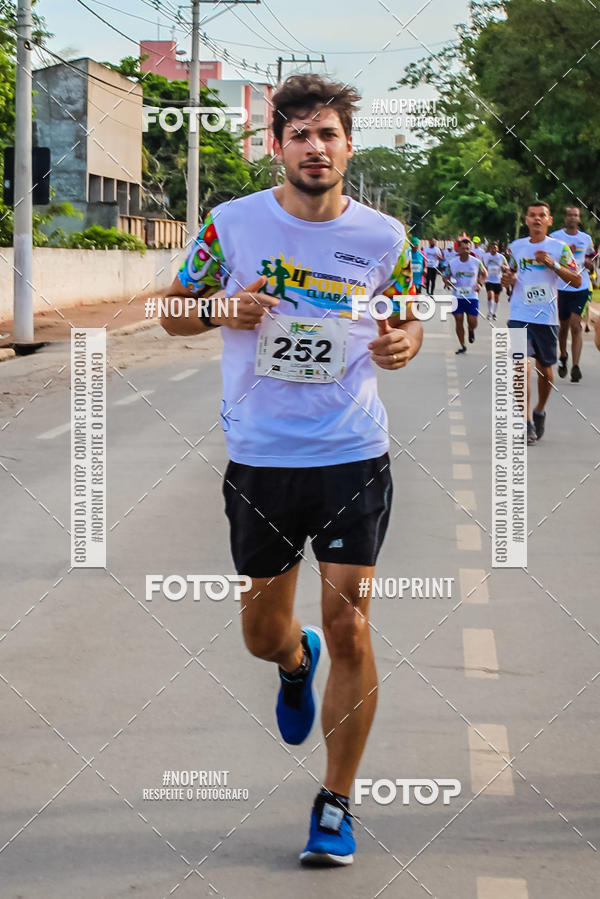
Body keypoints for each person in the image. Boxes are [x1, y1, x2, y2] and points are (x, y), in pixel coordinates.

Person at [159, 73, 423, 866]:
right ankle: (292, 658)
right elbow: (170, 310)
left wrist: (403, 345)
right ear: (275, 146)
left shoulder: (386, 238)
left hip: (352, 452)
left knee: (353, 623)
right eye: (300, 134)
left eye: (329, 133)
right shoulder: (230, 225)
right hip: (262, 459)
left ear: (349, 144)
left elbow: (405, 321)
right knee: (260, 633)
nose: (316, 147)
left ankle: (336, 800)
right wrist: (217, 309)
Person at [502, 201, 580, 445]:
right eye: (532, 215)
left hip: (546, 319)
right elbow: (512, 273)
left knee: (545, 371)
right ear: (526, 219)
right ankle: (525, 422)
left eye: (541, 216)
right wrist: (508, 279)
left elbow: (576, 280)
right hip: (518, 315)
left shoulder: (560, 248)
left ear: (549, 220)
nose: (536, 219)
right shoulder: (516, 247)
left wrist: (552, 264)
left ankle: (539, 410)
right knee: (519, 367)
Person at [550, 206, 595, 382]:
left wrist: (589, 264)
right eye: (569, 215)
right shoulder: (555, 237)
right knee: (564, 326)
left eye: (575, 215)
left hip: (580, 286)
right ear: (565, 218)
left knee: (576, 326)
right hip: (561, 288)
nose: (572, 218)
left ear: (579, 219)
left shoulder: (586, 238)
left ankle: (576, 366)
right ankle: (563, 356)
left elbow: (590, 256)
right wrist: (565, 251)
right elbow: (549, 258)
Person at [443, 236, 487, 354]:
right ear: (459, 250)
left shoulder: (476, 262)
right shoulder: (452, 263)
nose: (466, 251)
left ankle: (471, 330)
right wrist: (447, 281)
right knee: (458, 320)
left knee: (473, 322)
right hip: (457, 296)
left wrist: (480, 284)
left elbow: (484, 274)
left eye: (468, 248)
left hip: (472, 296)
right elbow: (445, 276)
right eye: (463, 248)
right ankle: (462, 345)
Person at [483, 241, 506, 321]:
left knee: (496, 298)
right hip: (489, 279)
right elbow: (483, 266)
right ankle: (490, 312)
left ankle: (494, 313)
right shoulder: (486, 256)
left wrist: (504, 267)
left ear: (497, 249)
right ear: (489, 249)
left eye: (495, 248)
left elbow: (507, 267)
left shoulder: (501, 257)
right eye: (492, 248)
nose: (493, 249)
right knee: (490, 295)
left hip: (498, 280)